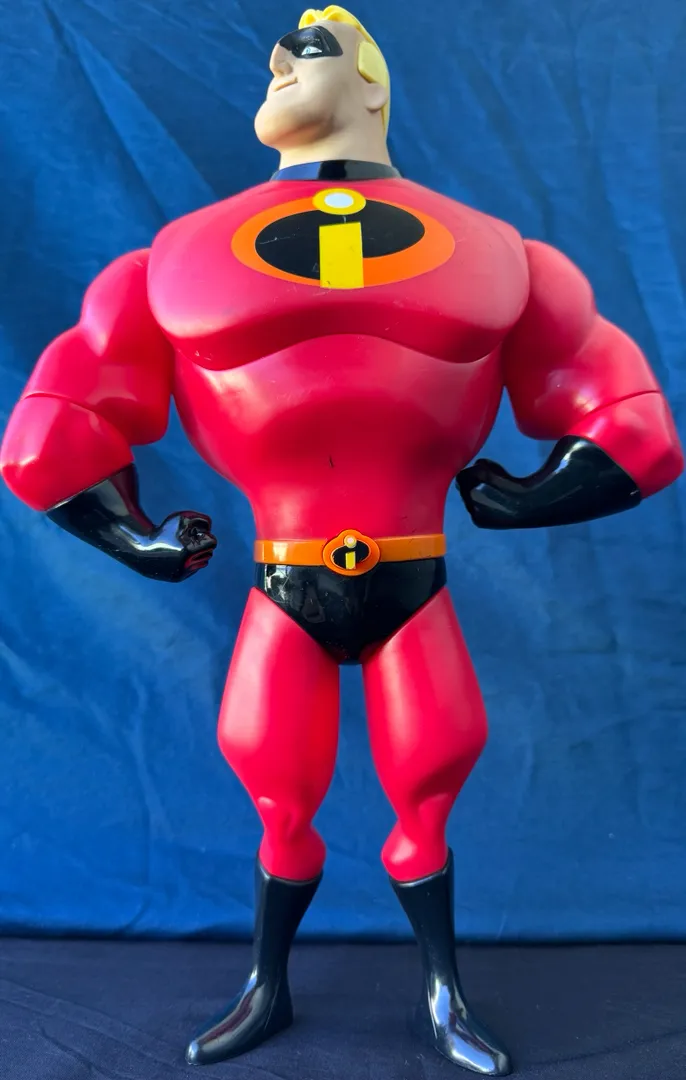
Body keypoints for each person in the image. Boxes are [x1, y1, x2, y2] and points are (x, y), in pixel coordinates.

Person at [1, 5, 682, 1075]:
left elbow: (631, 421)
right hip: (287, 583)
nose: (277, 59)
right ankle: (264, 985)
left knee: (427, 794)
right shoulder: (173, 260)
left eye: (309, 46)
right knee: (278, 801)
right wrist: (129, 539)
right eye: (277, 51)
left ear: (373, 80)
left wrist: (537, 496)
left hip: (413, 580)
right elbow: (56, 425)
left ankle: (444, 992)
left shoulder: (499, 256)